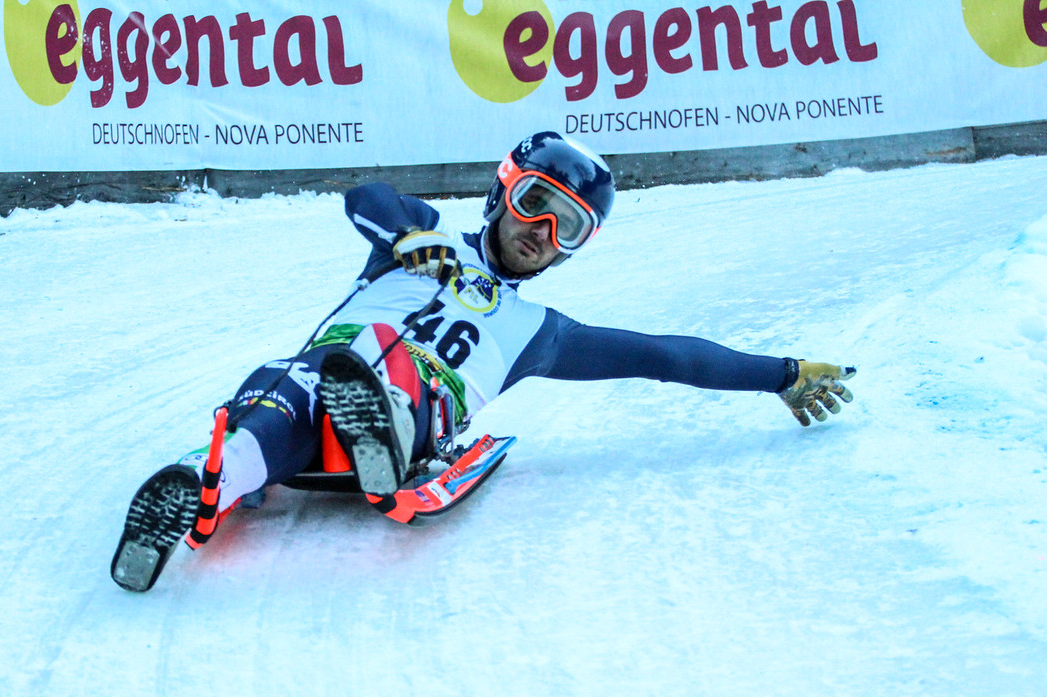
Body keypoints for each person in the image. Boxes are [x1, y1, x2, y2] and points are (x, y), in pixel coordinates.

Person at [111, 130, 855, 591]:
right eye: (536, 203)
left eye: (567, 228)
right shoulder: (422, 238)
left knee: (389, 377)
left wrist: (783, 374)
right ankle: (206, 483)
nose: (542, 232)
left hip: (417, 409)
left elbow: (666, 356)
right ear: (502, 192)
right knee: (296, 382)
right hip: (323, 386)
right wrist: (407, 237)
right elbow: (366, 195)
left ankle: (378, 431)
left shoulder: (540, 332)